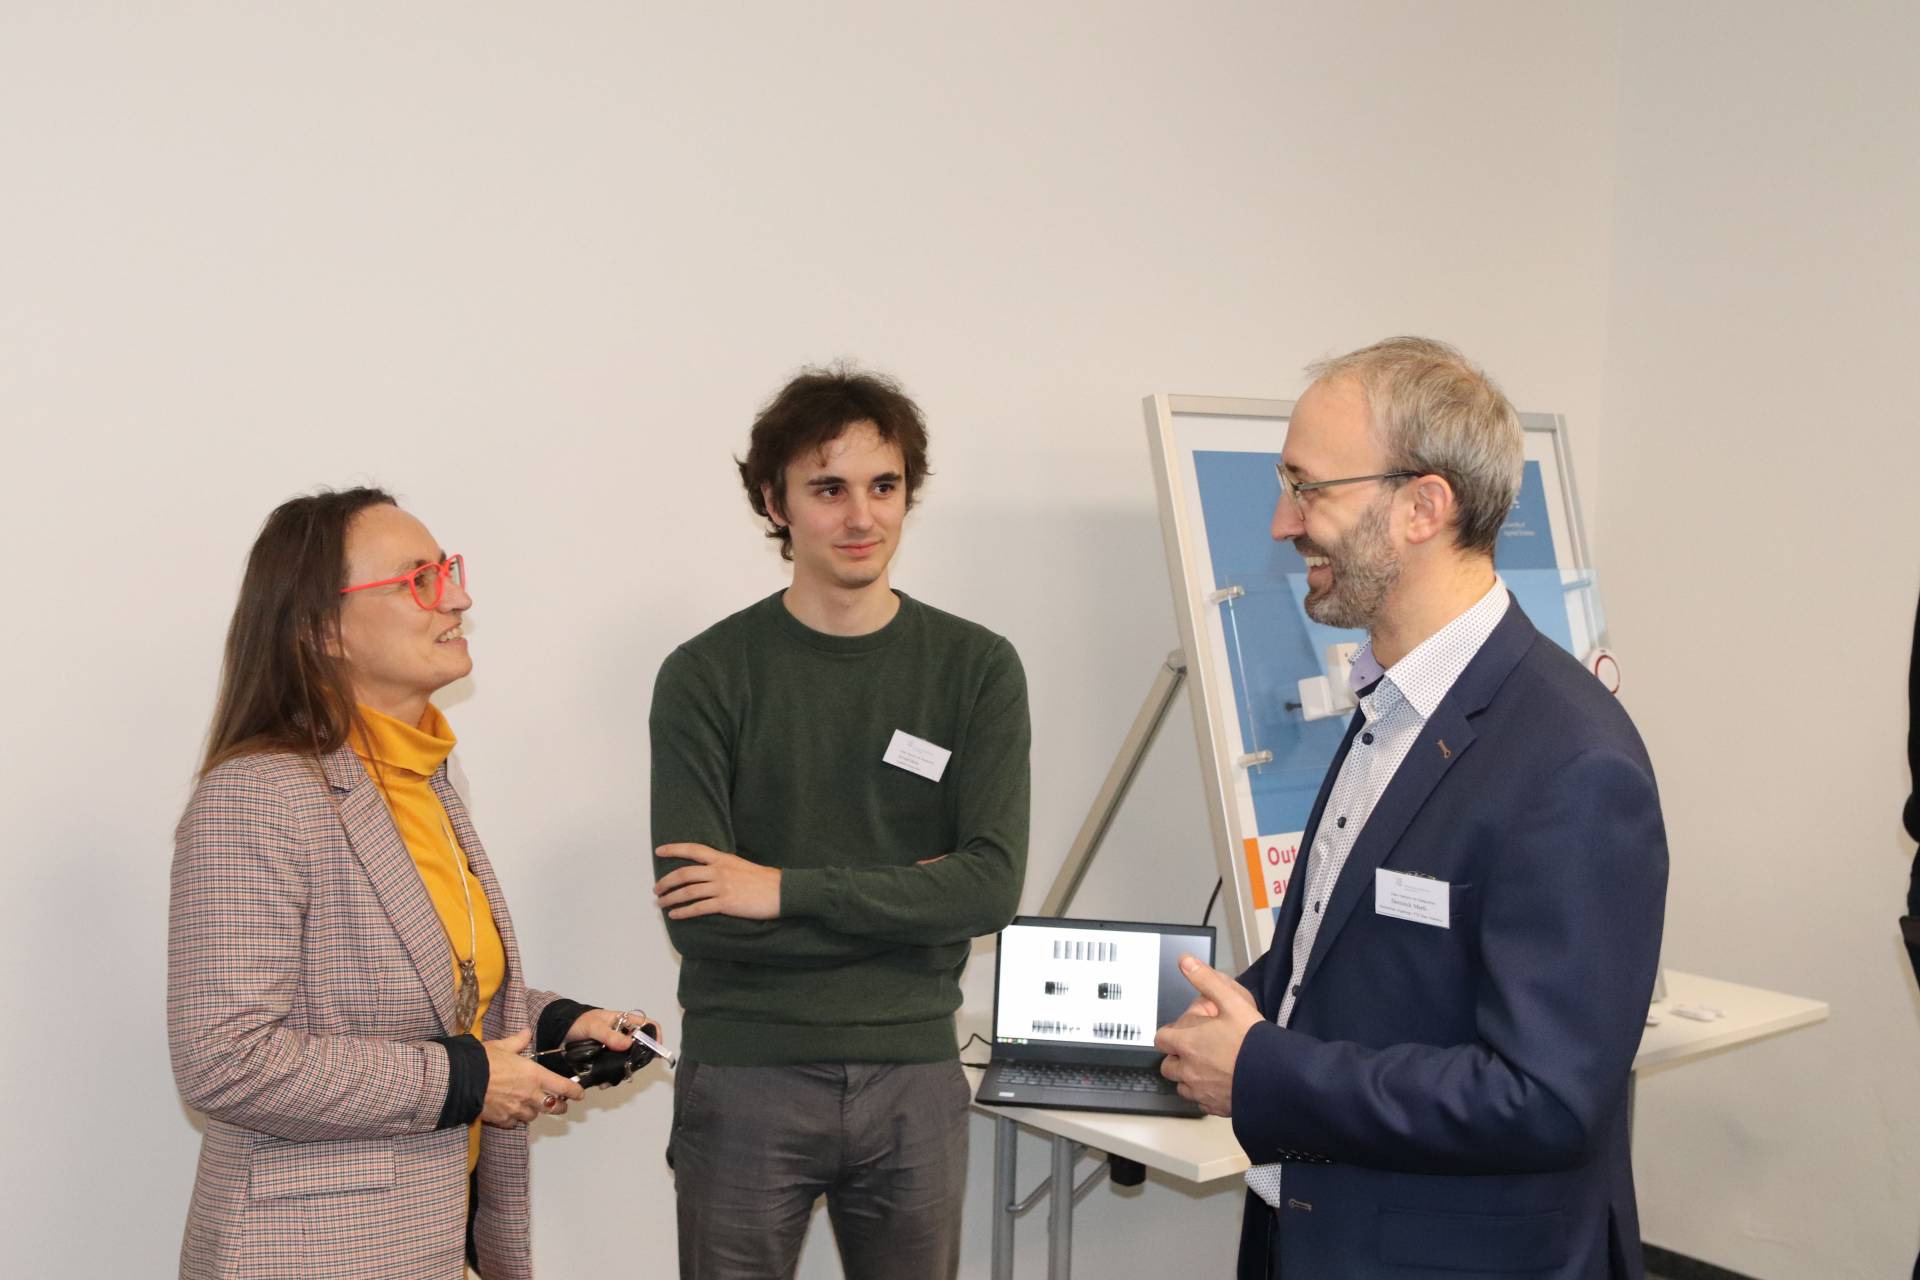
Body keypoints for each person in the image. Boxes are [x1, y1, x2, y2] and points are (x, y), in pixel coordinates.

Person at [1155, 338, 1668, 1279]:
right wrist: (1208, 1021)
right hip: (1312, 1230)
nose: (1280, 522)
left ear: (1422, 508)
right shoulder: (1391, 703)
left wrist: (1262, 1069)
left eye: (1308, 488)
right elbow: (1357, 953)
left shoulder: (1574, 761)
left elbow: (1544, 1097)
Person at [169, 487, 645, 1280]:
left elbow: (434, 994)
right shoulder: (257, 795)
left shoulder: (424, 776)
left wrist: (562, 1024)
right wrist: (467, 1080)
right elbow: (226, 1057)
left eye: (448, 571)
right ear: (323, 628)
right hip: (306, 1257)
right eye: (417, 580)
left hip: (430, 1244)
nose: (457, 596)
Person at [650, 366, 1030, 1280]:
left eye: (884, 486)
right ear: (775, 504)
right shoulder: (707, 676)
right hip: (746, 1076)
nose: (862, 517)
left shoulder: (976, 668)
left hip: (915, 1077)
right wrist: (909, 902)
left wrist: (778, 890)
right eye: (828, 489)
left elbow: (988, 889)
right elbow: (697, 916)